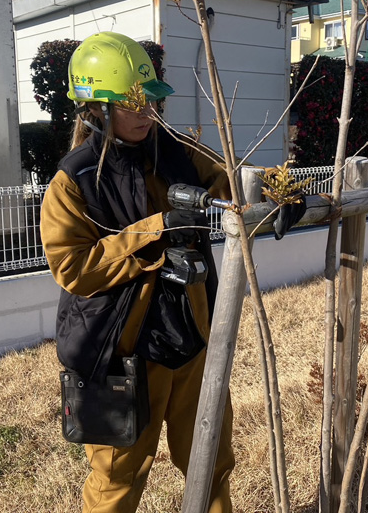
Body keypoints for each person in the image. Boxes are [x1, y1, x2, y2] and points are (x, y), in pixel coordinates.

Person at [40, 31, 235, 513]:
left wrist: (276, 194)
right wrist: (156, 231)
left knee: (210, 461)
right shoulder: (74, 180)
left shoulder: (174, 150)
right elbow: (73, 266)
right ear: (95, 109)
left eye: (149, 100)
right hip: (120, 351)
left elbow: (230, 180)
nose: (147, 113)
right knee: (118, 478)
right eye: (132, 105)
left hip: (190, 335)